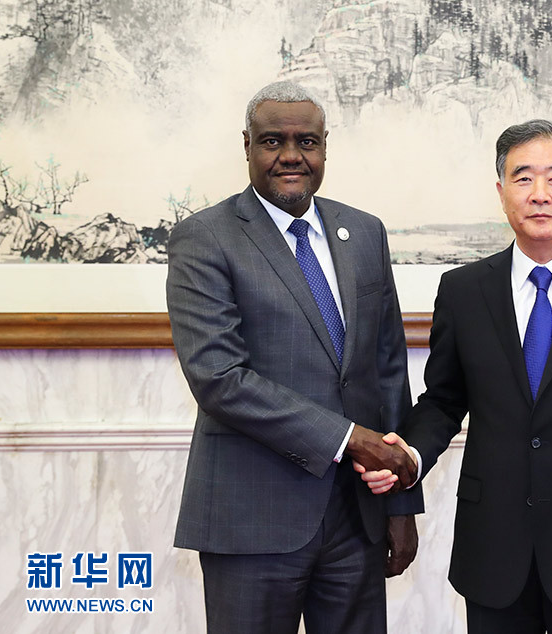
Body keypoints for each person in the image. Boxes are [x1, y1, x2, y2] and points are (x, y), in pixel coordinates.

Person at [363, 119, 552, 632]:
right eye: (523, 177)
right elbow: (443, 401)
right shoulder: (463, 291)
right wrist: (409, 457)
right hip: (494, 550)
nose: (539, 194)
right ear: (502, 192)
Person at [166, 79, 422, 634]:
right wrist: (348, 438)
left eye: (306, 141)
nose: (290, 156)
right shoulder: (205, 238)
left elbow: (387, 373)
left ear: (325, 147)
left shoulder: (365, 233)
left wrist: (401, 505)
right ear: (247, 146)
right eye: (271, 141)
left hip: (357, 519)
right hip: (251, 520)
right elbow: (219, 378)